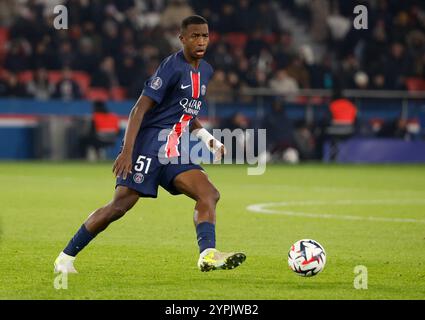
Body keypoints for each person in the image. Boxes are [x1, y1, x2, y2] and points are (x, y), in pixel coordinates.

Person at [54, 15, 246, 274]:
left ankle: (207, 254)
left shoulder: (207, 71)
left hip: (173, 150)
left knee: (209, 194)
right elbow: (138, 110)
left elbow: (186, 112)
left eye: (205, 35)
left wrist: (208, 139)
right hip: (148, 146)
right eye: (195, 36)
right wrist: (127, 152)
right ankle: (65, 258)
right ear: (182, 39)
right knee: (119, 207)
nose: (201, 41)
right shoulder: (171, 67)